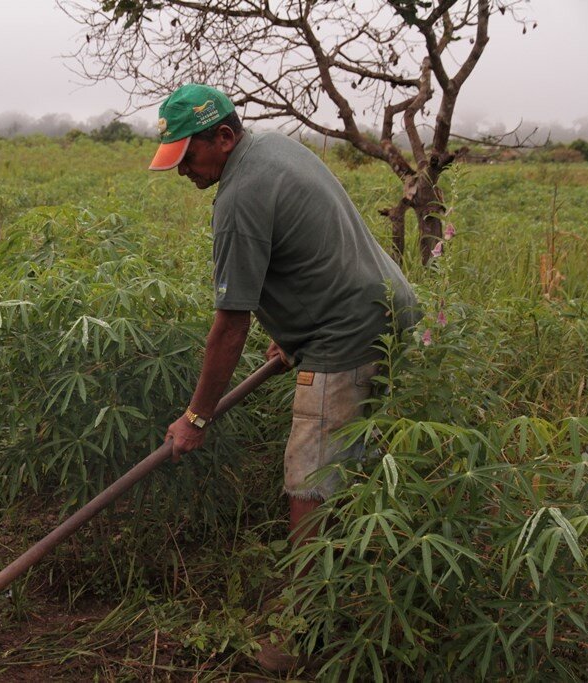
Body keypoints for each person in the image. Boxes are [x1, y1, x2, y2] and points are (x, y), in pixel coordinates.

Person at [150, 83, 419, 667]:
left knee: (310, 479)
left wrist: (196, 417)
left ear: (222, 137)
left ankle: (304, 631)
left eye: (187, 157)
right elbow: (312, 243)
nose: (181, 172)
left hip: (346, 334)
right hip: (389, 307)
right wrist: (293, 330)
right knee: (359, 468)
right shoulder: (275, 148)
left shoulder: (239, 197)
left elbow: (229, 325)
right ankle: (361, 595)